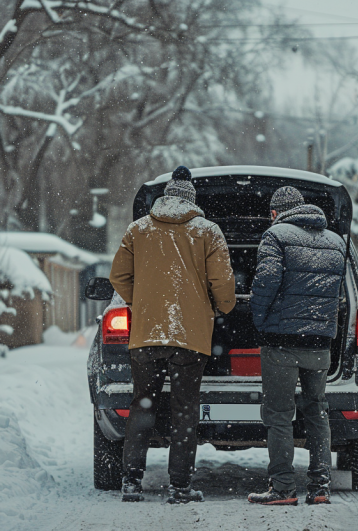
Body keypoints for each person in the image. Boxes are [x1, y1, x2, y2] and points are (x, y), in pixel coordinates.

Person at [110, 166, 236, 504]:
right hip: (190, 337)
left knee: (143, 405)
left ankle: (131, 482)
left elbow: (118, 276)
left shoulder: (138, 229)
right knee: (184, 409)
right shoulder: (207, 231)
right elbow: (223, 284)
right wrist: (222, 307)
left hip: (147, 335)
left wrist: (142, 302)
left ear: (165, 197)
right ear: (192, 201)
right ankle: (179, 486)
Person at [247, 186, 346, 506]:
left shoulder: (275, 236)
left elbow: (266, 281)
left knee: (278, 414)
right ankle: (320, 488)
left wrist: (259, 321)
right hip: (320, 343)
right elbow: (338, 294)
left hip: (282, 342)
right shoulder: (335, 241)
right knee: (317, 411)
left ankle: (283, 488)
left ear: (275, 212)